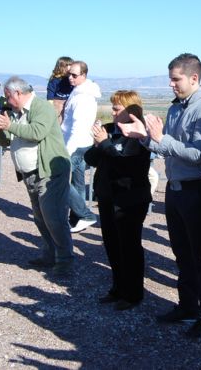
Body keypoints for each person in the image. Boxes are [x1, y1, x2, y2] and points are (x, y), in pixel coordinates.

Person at [119, 53, 201, 338]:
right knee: (182, 253)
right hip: (176, 189)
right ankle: (187, 305)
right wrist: (145, 138)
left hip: (198, 190)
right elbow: (167, 149)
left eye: (176, 79)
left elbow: (196, 154)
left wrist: (159, 138)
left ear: (194, 78)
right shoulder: (177, 107)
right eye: (170, 78)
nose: (171, 84)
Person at [0, 76, 74, 276]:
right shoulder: (17, 112)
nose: (6, 101)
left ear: (18, 93)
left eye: (8, 96)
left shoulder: (41, 107)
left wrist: (8, 126)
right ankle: (50, 255)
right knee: (40, 218)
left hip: (50, 172)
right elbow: (6, 142)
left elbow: (37, 132)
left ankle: (65, 261)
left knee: (54, 217)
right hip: (31, 174)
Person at [85, 90, 152, 311]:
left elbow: (128, 167)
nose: (112, 112)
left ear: (131, 110)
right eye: (112, 107)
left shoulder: (140, 135)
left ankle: (133, 294)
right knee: (112, 244)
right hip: (107, 195)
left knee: (129, 247)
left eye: (117, 108)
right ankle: (117, 288)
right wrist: (98, 144)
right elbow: (90, 159)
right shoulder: (109, 129)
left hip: (130, 199)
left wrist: (105, 145)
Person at [61, 60, 101, 233]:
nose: (70, 77)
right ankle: (77, 218)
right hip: (81, 143)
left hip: (76, 144)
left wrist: (66, 149)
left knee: (59, 180)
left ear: (84, 75)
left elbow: (78, 126)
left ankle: (84, 215)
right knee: (77, 182)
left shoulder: (83, 97)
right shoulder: (79, 92)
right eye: (69, 74)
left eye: (74, 75)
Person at [46, 56, 74, 124]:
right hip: (57, 103)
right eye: (68, 65)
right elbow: (50, 92)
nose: (70, 67)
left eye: (71, 65)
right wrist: (50, 106)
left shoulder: (72, 79)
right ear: (61, 67)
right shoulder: (55, 80)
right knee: (58, 122)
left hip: (69, 102)